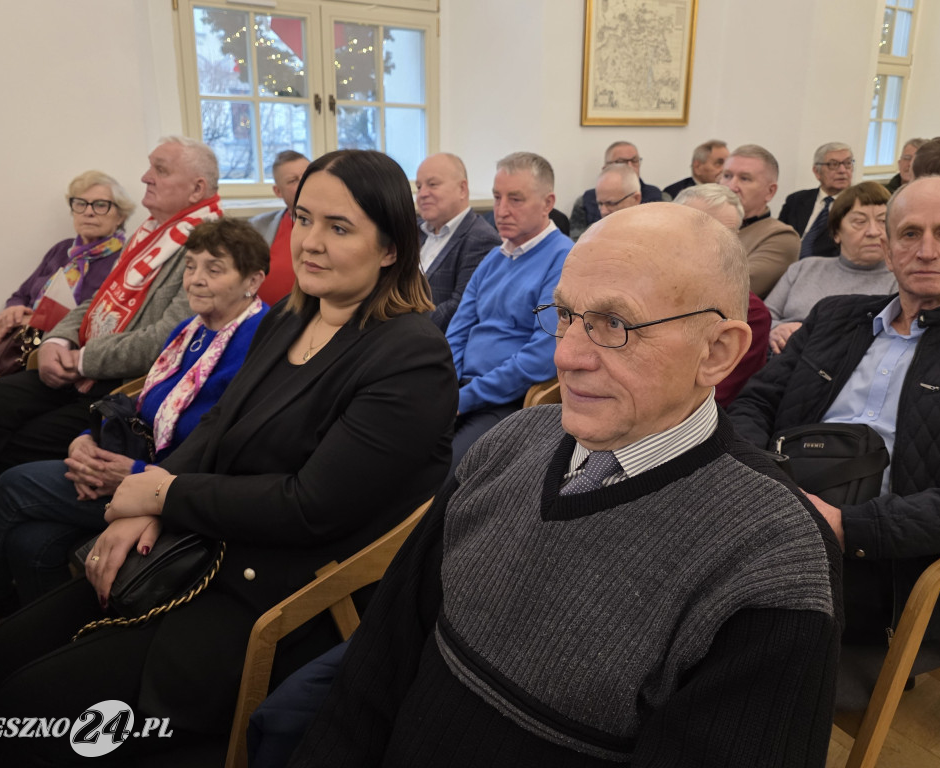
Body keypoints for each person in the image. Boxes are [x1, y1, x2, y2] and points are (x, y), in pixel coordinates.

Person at [295, 202, 842, 768]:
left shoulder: (772, 558)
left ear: (717, 351)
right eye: (563, 315)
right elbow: (382, 655)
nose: (566, 355)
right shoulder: (511, 443)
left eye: (614, 324)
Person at [0, 149, 457, 765]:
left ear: (390, 248)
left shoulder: (411, 358)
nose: (309, 242)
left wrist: (164, 496)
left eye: (339, 228)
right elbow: (223, 425)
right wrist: (149, 498)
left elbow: (309, 507)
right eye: (304, 218)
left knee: (31, 709)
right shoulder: (289, 317)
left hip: (276, 594)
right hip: (204, 544)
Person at [0, 218, 271, 650]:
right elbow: (142, 404)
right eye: (191, 266)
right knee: (29, 540)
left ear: (253, 280)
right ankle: (52, 650)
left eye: (214, 269)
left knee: (15, 484)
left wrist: (136, 472)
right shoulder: (194, 329)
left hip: (176, 493)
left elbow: (224, 448)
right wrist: (89, 439)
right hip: (133, 463)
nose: (196, 280)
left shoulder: (257, 344)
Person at [728, 175, 940, 648]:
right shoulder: (834, 317)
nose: (926, 250)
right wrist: (762, 483)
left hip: (880, 557)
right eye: (909, 234)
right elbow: (754, 403)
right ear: (889, 250)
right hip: (772, 509)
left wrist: (849, 527)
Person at [0, 136, 220, 559]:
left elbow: (165, 338)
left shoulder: (204, 243)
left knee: (9, 444)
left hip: (114, 383)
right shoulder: (152, 232)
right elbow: (95, 299)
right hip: (77, 362)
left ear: (196, 189)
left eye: (160, 169)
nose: (144, 177)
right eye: (149, 166)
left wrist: (81, 358)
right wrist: (57, 341)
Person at [446, 151, 573, 474]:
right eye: (497, 197)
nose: (500, 211)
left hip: (508, 400)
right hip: (460, 390)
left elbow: (541, 356)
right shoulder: (494, 257)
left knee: (446, 474)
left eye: (515, 199)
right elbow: (458, 329)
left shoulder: (563, 260)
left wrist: (465, 399)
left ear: (548, 203)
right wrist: (447, 385)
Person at [0, 171, 135, 383]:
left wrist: (40, 322)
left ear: (120, 216)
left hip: (61, 358)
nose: (88, 212)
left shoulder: (126, 260)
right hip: (18, 348)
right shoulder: (62, 250)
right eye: (80, 203)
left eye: (100, 205)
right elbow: (21, 295)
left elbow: (108, 323)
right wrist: (13, 309)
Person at [766, 182, 898, 354]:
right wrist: (776, 330)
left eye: (882, 221)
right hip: (780, 358)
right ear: (836, 233)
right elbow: (765, 317)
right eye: (859, 221)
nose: (873, 231)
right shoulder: (804, 268)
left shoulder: (899, 282)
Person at [673, 183, 771, 406]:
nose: (712, 247)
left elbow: (709, 399)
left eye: (725, 236)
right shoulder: (636, 289)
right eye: (696, 233)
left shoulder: (749, 314)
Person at [415, 152, 502, 331]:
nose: (422, 194)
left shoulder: (482, 239)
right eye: (418, 186)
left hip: (430, 342)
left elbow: (458, 309)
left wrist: (401, 328)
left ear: (462, 189)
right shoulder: (414, 232)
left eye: (432, 184)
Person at [720, 144, 801, 298]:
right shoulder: (705, 222)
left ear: (770, 192)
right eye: (727, 176)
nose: (731, 186)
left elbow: (732, 287)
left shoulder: (781, 236)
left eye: (744, 178)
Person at [250, 150, 311, 306]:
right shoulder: (257, 227)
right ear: (278, 191)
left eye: (307, 176)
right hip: (264, 320)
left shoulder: (337, 226)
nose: (303, 183)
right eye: (293, 180)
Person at [569, 141, 663, 239]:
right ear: (605, 168)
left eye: (634, 160)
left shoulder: (658, 197)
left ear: (636, 199)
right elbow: (576, 243)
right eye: (621, 162)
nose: (630, 167)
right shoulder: (584, 201)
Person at [778, 142, 855, 258]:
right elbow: (778, 237)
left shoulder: (858, 205)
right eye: (833, 164)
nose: (842, 170)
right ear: (817, 172)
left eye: (847, 163)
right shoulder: (796, 200)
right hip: (786, 264)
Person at [662, 139, 729, 199]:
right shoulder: (675, 193)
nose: (726, 169)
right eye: (719, 163)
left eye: (728, 163)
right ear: (697, 167)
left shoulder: (733, 189)